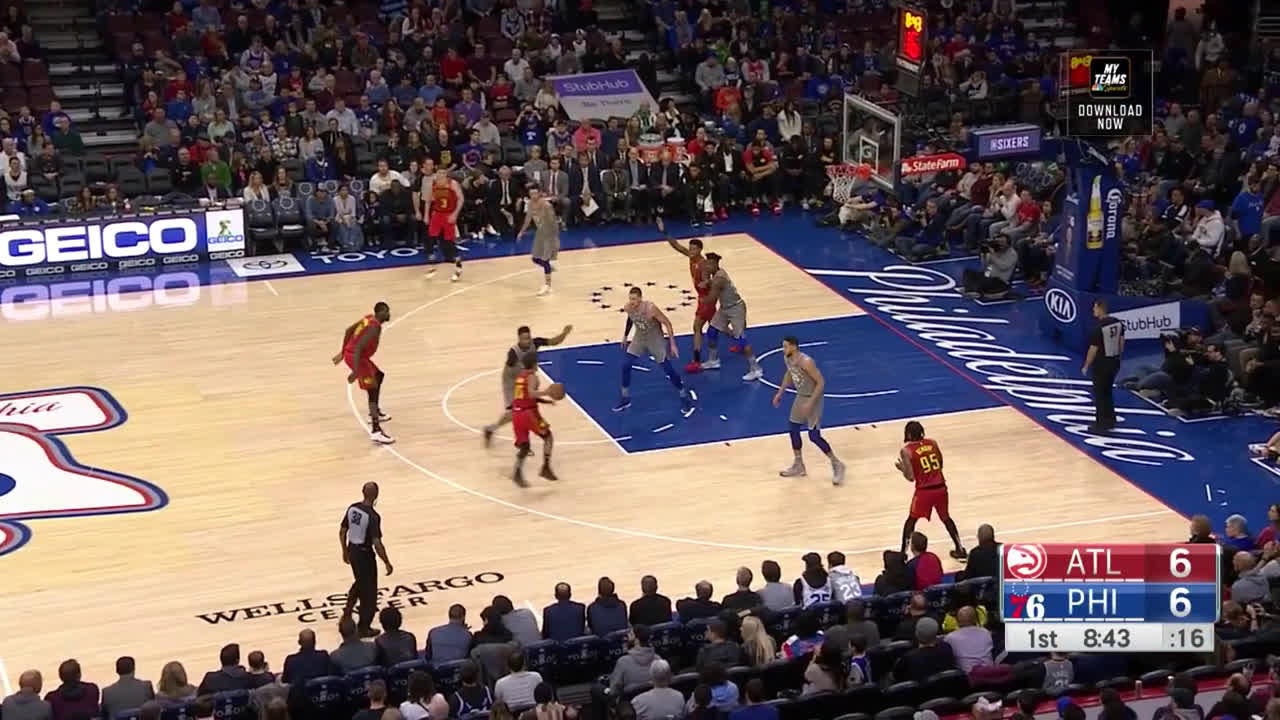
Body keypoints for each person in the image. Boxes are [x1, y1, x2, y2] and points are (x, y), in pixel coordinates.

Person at [483, 324, 573, 447]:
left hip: (524, 377)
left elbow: (553, 341)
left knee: (520, 410)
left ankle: (494, 430)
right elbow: (510, 371)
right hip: (511, 380)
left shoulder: (535, 343)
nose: (527, 341)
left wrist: (564, 333)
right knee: (514, 411)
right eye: (524, 338)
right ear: (519, 339)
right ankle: (496, 430)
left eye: (528, 338)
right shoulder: (513, 353)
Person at [772, 336, 846, 484]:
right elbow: (789, 373)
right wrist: (780, 392)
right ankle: (799, 465)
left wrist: (810, 403)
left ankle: (837, 464)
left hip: (814, 398)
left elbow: (821, 382)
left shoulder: (806, 361)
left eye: (786, 346)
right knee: (793, 428)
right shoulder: (788, 358)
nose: (783, 349)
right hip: (801, 396)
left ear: (794, 347)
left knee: (814, 436)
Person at [614, 286, 695, 416]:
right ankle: (625, 398)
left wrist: (673, 344)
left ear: (640, 298)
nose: (632, 302)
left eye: (634, 299)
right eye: (630, 299)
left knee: (668, 369)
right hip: (640, 337)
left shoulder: (651, 308)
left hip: (655, 339)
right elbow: (630, 319)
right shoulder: (628, 307)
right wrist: (625, 336)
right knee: (626, 365)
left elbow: (667, 323)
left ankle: (684, 396)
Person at [896, 421, 966, 559]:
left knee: (911, 521)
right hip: (941, 487)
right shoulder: (933, 443)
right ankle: (960, 549)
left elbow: (910, 477)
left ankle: (903, 554)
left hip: (924, 491)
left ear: (908, 434)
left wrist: (902, 468)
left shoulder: (906, 451)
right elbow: (940, 464)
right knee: (946, 518)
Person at [333, 302, 394, 444]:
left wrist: (343, 351)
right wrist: (355, 371)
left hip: (355, 355)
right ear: (380, 312)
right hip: (357, 357)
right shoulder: (374, 327)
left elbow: (348, 330)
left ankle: (375, 412)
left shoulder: (368, 318)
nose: (389, 314)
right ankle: (376, 431)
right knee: (372, 390)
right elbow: (359, 347)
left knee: (378, 376)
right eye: (386, 311)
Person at [340, 481, 395, 636]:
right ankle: (364, 627)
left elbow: (342, 531)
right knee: (369, 592)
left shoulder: (352, 508)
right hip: (364, 555)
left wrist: (344, 550)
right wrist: (387, 562)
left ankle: (348, 611)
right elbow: (377, 543)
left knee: (359, 582)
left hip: (352, 549)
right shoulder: (373, 516)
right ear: (376, 495)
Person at [701, 253, 764, 381]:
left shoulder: (719, 279)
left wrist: (702, 299)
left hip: (736, 309)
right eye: (706, 264)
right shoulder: (716, 274)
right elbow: (711, 283)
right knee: (712, 331)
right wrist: (707, 281)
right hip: (725, 308)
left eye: (709, 264)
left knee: (741, 340)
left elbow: (711, 299)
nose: (707, 266)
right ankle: (713, 360)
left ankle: (756, 369)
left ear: (715, 264)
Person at [666, 234, 714, 372]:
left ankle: (697, 361)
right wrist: (664, 232)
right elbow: (677, 246)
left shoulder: (703, 264)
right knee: (717, 326)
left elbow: (709, 280)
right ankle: (740, 341)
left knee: (697, 327)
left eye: (693, 249)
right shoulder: (692, 257)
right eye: (690, 248)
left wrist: (706, 283)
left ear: (699, 250)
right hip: (703, 299)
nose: (691, 251)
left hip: (706, 300)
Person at [510, 352, 559, 487]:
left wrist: (544, 401)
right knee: (548, 437)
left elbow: (524, 396)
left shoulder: (520, 377)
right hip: (529, 414)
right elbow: (531, 394)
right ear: (534, 364)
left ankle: (517, 473)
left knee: (525, 447)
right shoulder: (532, 377)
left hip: (516, 413)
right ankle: (546, 467)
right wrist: (547, 392)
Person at [1082, 298, 1124, 432]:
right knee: (1108, 391)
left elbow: (1093, 350)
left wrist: (1086, 365)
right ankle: (1110, 418)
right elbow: (1121, 343)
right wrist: (1117, 357)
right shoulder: (1118, 323)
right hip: (1114, 362)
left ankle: (1101, 423)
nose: (1093, 310)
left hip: (1102, 364)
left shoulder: (1098, 329)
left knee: (1100, 393)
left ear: (1100, 309)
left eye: (1094, 308)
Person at [518, 185, 561, 295]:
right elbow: (528, 219)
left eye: (535, 193)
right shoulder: (530, 204)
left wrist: (555, 238)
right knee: (535, 258)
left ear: (539, 193)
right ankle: (549, 268)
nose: (533, 196)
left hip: (549, 233)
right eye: (531, 194)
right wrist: (522, 232)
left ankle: (548, 286)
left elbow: (553, 221)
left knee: (545, 259)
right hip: (540, 233)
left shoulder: (546, 205)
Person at [424, 169, 464, 281]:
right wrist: (426, 215)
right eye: (438, 174)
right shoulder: (433, 184)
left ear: (446, 176)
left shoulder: (453, 184)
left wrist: (455, 214)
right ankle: (432, 265)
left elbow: (461, 199)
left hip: (449, 214)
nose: (440, 177)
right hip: (437, 214)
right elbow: (428, 200)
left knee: (448, 243)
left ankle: (458, 266)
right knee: (429, 239)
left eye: (442, 175)